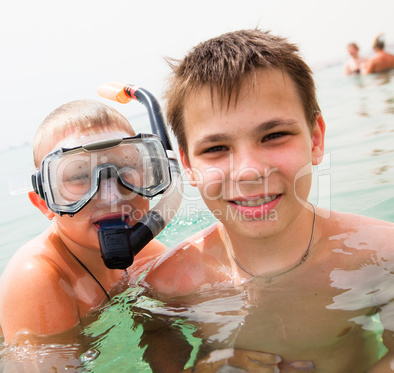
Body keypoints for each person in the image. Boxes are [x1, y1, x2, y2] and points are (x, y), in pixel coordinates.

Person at [141, 29, 394, 372]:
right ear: (188, 165)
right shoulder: (168, 289)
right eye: (216, 149)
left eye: (274, 136)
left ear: (316, 139)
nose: (247, 172)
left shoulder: (382, 256)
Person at [0, 99, 168, 345]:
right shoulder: (37, 279)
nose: (112, 196)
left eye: (127, 168)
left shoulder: (148, 253)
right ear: (45, 203)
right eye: (79, 176)